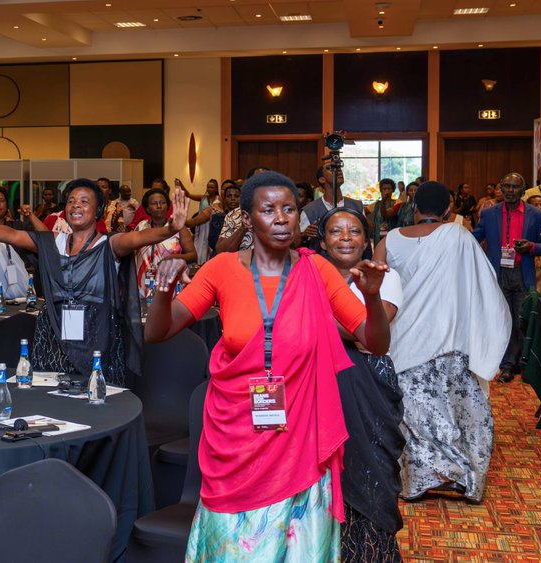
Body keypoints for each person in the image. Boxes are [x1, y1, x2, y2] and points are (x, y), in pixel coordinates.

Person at [143, 171, 391, 561]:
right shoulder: (221, 269)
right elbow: (159, 331)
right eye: (268, 210)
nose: (281, 218)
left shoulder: (317, 270)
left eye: (289, 209)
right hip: (236, 428)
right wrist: (162, 290)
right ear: (247, 218)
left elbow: (374, 341)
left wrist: (372, 299)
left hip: (300, 434)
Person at [0, 179, 193, 386]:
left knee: (97, 398)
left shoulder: (110, 244)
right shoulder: (53, 242)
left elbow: (139, 237)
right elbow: (13, 235)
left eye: (84, 201)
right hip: (54, 335)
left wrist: (171, 228)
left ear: (98, 210)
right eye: (70, 201)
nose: (76, 205)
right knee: (52, 398)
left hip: (99, 337)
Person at [378, 182, 510, 502]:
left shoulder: (389, 240)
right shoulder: (459, 236)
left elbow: (377, 285)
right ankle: (462, 476)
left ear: (414, 207)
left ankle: (420, 479)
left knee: (416, 414)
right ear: (449, 210)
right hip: (450, 339)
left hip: (404, 337)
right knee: (456, 410)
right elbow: (483, 283)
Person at [318, 207, 406, 562]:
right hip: (319, 381)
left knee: (370, 472)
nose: (345, 238)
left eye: (353, 231)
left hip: (369, 383)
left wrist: (317, 318)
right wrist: (350, 328)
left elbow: (371, 336)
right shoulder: (309, 278)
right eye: (336, 231)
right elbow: (358, 330)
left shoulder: (385, 277)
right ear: (323, 241)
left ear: (366, 241)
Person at [471, 172, 541, 382]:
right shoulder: (489, 214)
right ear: (501, 188)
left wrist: (531, 246)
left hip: (522, 273)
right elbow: (475, 238)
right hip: (498, 274)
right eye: (506, 186)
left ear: (523, 191)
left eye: (515, 187)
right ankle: (507, 365)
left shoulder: (535, 214)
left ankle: (523, 363)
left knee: (521, 320)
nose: (510, 191)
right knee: (502, 320)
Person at [134, 188, 196, 294]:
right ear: (147, 209)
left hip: (170, 282)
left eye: (162, 203)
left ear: (167, 206)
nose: (159, 206)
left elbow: (193, 255)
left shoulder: (178, 227)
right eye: (154, 203)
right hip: (144, 283)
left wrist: (174, 257)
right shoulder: (141, 227)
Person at [302, 165, 365, 249]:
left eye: (339, 168)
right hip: (319, 260)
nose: (337, 170)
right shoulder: (309, 210)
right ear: (322, 179)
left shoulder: (357, 206)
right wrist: (304, 235)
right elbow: (297, 241)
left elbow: (364, 237)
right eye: (330, 168)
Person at [367, 178, 401, 245]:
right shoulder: (376, 204)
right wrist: (372, 225)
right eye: (384, 189)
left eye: (389, 189)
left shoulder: (398, 202)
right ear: (380, 190)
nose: (387, 191)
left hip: (393, 235)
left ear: (393, 190)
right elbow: (362, 213)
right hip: (378, 236)